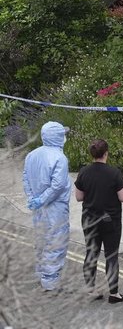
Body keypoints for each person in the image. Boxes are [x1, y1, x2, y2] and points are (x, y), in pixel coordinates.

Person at [75, 139, 123, 304]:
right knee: (111, 255)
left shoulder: (84, 172)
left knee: (91, 254)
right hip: (110, 220)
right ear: (106, 153)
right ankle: (114, 293)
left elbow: (79, 197)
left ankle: (91, 290)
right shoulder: (114, 173)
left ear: (92, 154)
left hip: (90, 220)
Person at [22, 121, 71, 291]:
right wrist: (43, 199)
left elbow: (26, 178)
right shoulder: (60, 158)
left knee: (41, 239)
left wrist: (33, 199)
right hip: (55, 207)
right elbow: (58, 185)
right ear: (58, 136)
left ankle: (40, 273)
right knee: (56, 241)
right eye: (63, 134)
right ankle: (50, 282)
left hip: (38, 207)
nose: (65, 137)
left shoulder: (31, 155)